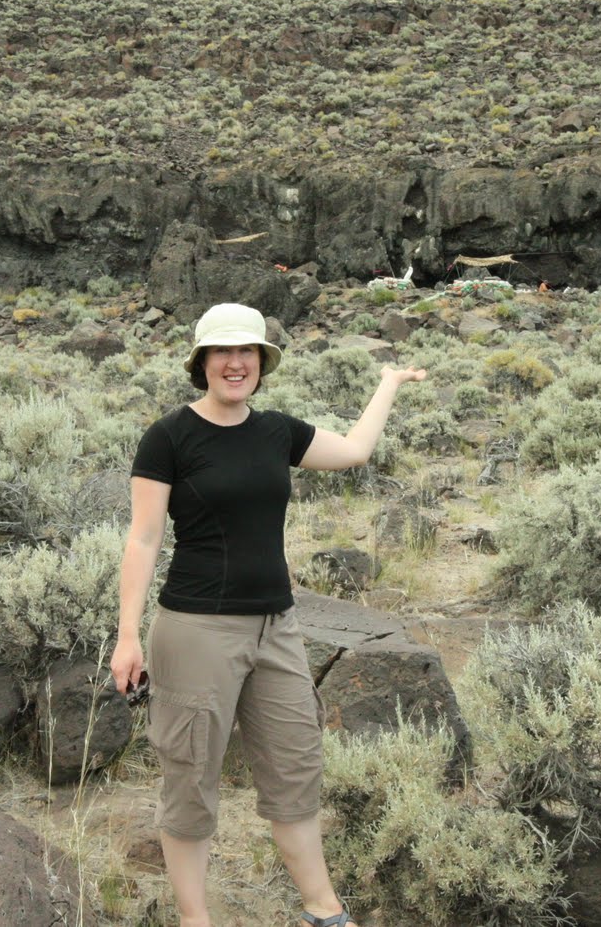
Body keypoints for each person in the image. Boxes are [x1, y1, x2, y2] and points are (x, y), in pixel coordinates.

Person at [113, 302, 425, 927]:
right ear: (201, 362)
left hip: (277, 628)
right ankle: (195, 919)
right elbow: (143, 539)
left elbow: (357, 450)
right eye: (222, 353)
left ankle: (323, 910)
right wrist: (127, 636)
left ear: (261, 362)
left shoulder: (277, 431)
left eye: (247, 352)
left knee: (293, 767)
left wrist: (387, 384)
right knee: (191, 777)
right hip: (196, 628)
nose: (235, 363)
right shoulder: (169, 436)